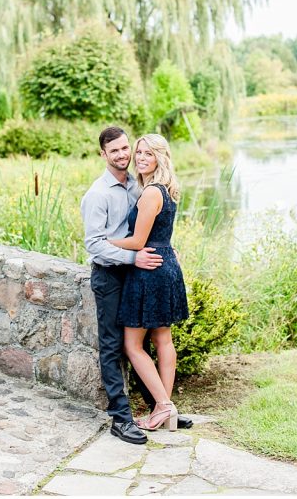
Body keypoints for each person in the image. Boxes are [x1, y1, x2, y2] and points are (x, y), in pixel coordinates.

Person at [80, 126, 192, 445]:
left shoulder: (139, 185)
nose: (125, 155)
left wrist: (163, 249)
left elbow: (148, 229)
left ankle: (162, 406)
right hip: (112, 275)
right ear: (103, 154)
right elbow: (96, 246)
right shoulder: (97, 194)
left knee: (146, 342)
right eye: (115, 150)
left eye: (127, 148)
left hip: (142, 270)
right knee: (116, 346)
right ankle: (122, 417)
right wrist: (135, 257)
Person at [108, 133, 190, 431]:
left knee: (132, 345)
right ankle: (163, 409)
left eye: (148, 154)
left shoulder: (150, 193)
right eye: (138, 152)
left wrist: (105, 241)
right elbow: (161, 235)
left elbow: (138, 240)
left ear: (160, 158)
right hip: (166, 264)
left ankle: (164, 405)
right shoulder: (168, 190)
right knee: (162, 339)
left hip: (148, 272)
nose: (140, 158)